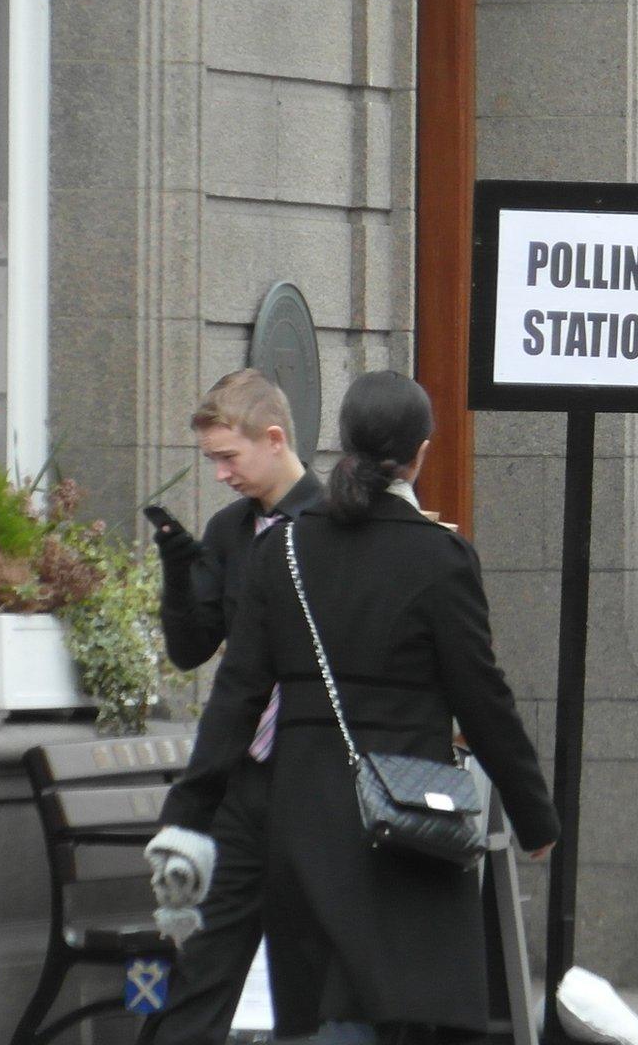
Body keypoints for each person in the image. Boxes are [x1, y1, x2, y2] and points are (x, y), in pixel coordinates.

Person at [150, 371, 560, 1043]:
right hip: (405, 812)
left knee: (316, 1010)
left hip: (302, 814)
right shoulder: (440, 555)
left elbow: (236, 695)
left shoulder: (280, 548)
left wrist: (185, 817)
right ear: (422, 451)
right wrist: (533, 812)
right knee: (399, 1006)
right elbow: (481, 697)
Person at [138, 369, 323, 1045]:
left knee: (314, 973)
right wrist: (178, 572)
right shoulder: (231, 530)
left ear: (273, 439)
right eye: (211, 459)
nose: (220, 474)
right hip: (245, 786)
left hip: (315, 781)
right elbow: (191, 649)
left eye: (228, 457)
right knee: (204, 965)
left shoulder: (331, 528)